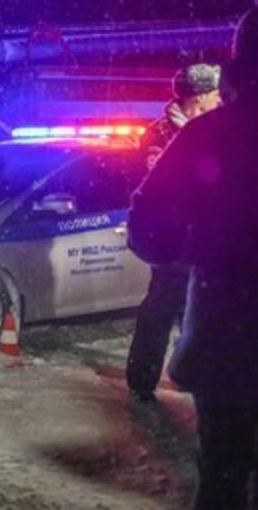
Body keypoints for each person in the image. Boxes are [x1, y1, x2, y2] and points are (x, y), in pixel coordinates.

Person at [128, 0, 258, 509]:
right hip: (228, 338)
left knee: (224, 475)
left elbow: (149, 229)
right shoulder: (192, 131)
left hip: (230, 339)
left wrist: (201, 248)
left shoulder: (211, 134)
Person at [125, 63, 221, 401]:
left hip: (203, 235)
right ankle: (143, 378)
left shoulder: (208, 128)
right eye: (215, 93)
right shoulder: (162, 135)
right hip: (175, 238)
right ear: (199, 96)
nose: (219, 99)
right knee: (162, 306)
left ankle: (189, 373)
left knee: (196, 309)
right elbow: (163, 186)